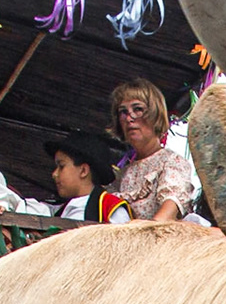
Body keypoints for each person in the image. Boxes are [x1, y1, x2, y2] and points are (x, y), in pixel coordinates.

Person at [109, 80, 193, 222]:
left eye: (138, 109)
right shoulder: (123, 175)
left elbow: (169, 210)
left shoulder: (172, 162)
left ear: (155, 115)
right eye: (123, 112)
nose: (129, 118)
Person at [46, 130, 131, 223]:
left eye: (61, 166)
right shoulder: (62, 211)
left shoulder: (109, 209)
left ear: (83, 171)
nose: (54, 174)